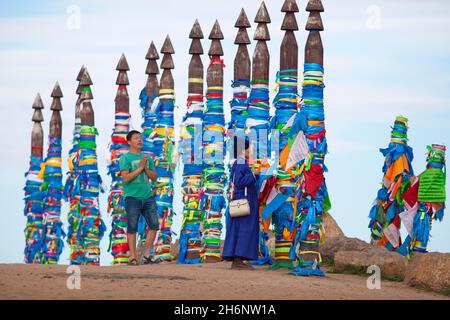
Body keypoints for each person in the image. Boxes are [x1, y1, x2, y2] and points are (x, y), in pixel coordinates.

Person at [119, 130, 159, 265]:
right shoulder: (125, 158)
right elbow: (126, 178)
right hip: (132, 197)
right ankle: (132, 257)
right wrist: (140, 168)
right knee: (132, 227)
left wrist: (146, 168)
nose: (140, 140)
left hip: (148, 196)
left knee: (154, 225)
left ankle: (147, 254)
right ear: (129, 142)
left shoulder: (147, 157)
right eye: (136, 138)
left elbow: (154, 177)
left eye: (140, 138)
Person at [222, 136, 260, 269]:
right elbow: (239, 182)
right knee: (244, 229)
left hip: (240, 199)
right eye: (249, 148)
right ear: (243, 150)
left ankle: (238, 259)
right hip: (244, 200)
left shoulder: (239, 162)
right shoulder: (241, 163)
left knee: (240, 229)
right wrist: (253, 174)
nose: (250, 151)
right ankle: (238, 259)